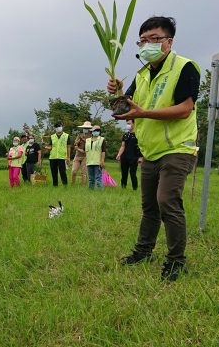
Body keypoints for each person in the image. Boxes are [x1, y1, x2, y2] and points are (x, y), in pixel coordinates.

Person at [108, 16, 201, 281]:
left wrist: (145, 112)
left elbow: (185, 109)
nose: (147, 45)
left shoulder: (185, 67)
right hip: (150, 151)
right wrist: (118, 93)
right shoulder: (142, 74)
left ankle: (175, 262)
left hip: (177, 148)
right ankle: (143, 251)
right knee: (149, 206)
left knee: (167, 202)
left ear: (169, 42)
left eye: (155, 39)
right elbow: (128, 109)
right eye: (143, 41)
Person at [116, 119, 143, 190]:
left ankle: (135, 188)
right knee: (124, 173)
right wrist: (119, 154)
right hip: (124, 157)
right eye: (127, 123)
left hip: (134, 157)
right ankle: (123, 187)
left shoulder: (138, 134)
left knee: (132, 173)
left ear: (134, 124)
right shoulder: (125, 135)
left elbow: (141, 146)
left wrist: (140, 157)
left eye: (129, 123)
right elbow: (123, 146)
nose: (128, 125)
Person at [46, 121, 71, 186]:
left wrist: (68, 157)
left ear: (62, 126)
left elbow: (68, 147)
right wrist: (46, 147)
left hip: (62, 157)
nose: (58, 128)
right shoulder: (52, 136)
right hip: (53, 157)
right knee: (54, 173)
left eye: (59, 126)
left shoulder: (66, 136)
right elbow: (51, 147)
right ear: (55, 128)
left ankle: (65, 185)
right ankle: (55, 186)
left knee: (62, 172)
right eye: (57, 127)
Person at [85, 125, 107, 189]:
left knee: (98, 178)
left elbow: (103, 151)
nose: (96, 132)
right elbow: (85, 151)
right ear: (92, 131)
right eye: (95, 130)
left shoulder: (102, 139)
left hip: (97, 162)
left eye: (98, 130)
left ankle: (100, 191)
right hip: (89, 162)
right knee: (90, 179)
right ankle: (91, 191)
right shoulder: (87, 140)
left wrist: (102, 161)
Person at [71, 121, 92, 186]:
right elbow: (75, 144)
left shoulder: (91, 136)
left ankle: (83, 185)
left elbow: (89, 145)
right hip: (77, 156)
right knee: (74, 171)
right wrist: (77, 141)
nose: (86, 129)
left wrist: (83, 140)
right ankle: (72, 185)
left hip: (85, 156)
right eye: (85, 127)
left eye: (87, 128)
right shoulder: (79, 135)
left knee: (83, 173)